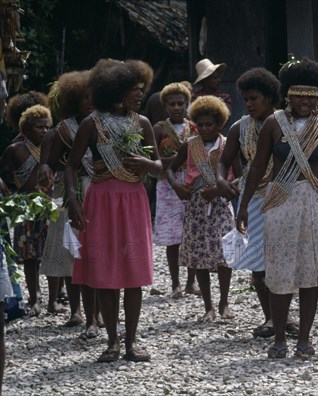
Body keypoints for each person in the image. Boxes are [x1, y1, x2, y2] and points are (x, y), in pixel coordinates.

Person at [236, 58, 318, 358]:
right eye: (299, 95)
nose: (305, 101)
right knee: (280, 269)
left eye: (311, 96)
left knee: (311, 271)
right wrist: (243, 206)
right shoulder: (273, 123)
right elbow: (257, 167)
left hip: (315, 200)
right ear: (288, 95)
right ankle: (279, 339)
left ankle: (304, 339)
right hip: (280, 200)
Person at [65, 58, 160, 363]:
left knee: (133, 273)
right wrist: (73, 199)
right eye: (134, 90)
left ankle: (131, 342)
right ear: (116, 90)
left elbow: (159, 167)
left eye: (141, 89)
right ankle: (112, 342)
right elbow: (70, 165)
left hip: (133, 199)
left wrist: (147, 165)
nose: (139, 95)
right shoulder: (91, 123)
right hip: (101, 200)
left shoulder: (142, 122)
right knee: (106, 273)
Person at [216, 67, 283, 337]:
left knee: (283, 257)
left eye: (255, 98)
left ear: (269, 97)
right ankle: (269, 317)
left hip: (282, 196)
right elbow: (223, 161)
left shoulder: (285, 124)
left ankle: (285, 316)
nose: (250, 104)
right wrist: (221, 179)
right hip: (252, 200)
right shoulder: (239, 127)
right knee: (258, 262)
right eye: (246, 99)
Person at [37, 70, 99, 330]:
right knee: (71, 253)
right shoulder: (62, 130)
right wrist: (46, 169)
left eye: (92, 96)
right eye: (84, 97)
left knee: (96, 254)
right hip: (69, 193)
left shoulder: (104, 123)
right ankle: (76, 311)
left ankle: (98, 312)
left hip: (98, 192)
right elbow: (50, 163)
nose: (89, 101)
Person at [167, 95, 235, 323]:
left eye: (210, 124)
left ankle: (224, 301)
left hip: (222, 204)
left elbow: (241, 176)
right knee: (199, 257)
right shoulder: (190, 145)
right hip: (196, 206)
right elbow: (170, 169)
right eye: (201, 124)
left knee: (224, 254)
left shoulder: (227, 145)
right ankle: (208, 306)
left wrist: (220, 188)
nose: (205, 128)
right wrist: (177, 186)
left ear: (219, 123)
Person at [0, 104, 52, 316]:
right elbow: (3, 177)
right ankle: (34, 297)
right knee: (30, 257)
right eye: (40, 127)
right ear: (27, 128)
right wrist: (10, 198)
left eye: (47, 127)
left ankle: (54, 299)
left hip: (49, 205)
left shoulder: (51, 147)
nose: (45, 131)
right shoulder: (15, 150)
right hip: (26, 207)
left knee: (51, 252)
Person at [152, 82, 199, 299]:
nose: (177, 107)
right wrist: (179, 158)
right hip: (167, 186)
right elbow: (153, 162)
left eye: (181, 103)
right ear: (165, 106)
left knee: (191, 233)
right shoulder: (159, 129)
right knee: (173, 238)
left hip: (190, 183)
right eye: (172, 104)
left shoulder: (195, 127)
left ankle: (191, 282)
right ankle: (175, 283)